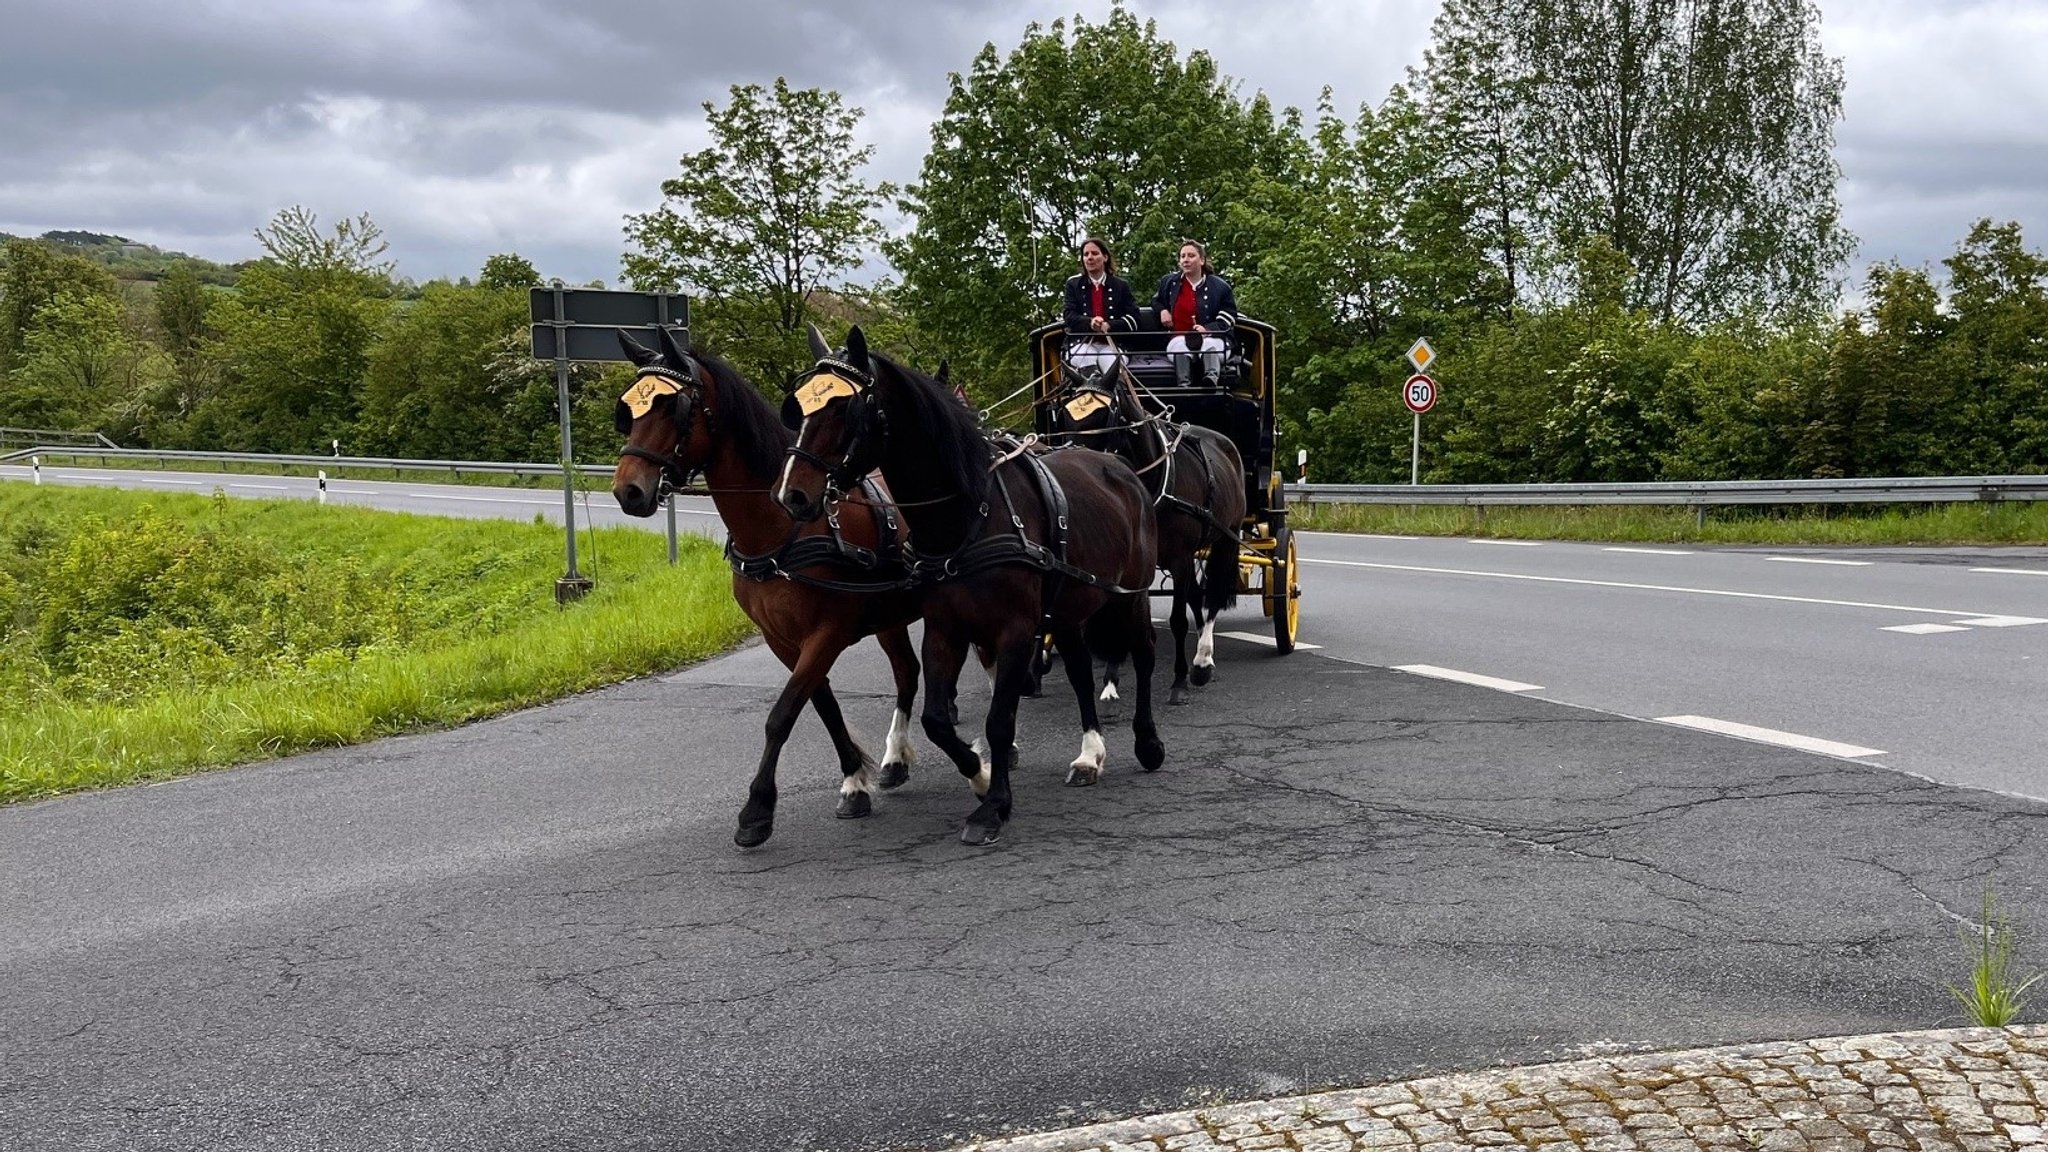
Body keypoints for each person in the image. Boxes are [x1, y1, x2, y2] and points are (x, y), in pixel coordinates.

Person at [1152, 239, 1238, 386]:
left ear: (1202, 260)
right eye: (1182, 256)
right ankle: (1184, 384)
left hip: (1213, 338)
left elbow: (1229, 315)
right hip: (1179, 338)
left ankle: (1211, 379)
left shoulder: (1220, 287)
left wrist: (1208, 329)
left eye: (1191, 256)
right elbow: (1156, 300)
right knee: (1179, 346)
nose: (1185, 260)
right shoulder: (1169, 282)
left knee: (1210, 345)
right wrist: (1163, 310)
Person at [1062, 237, 1140, 380]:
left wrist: (1108, 325)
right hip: (1082, 344)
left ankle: (1117, 399)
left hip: (1113, 345)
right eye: (1086, 255)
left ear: (1105, 257)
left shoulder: (1121, 286)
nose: (1090, 258)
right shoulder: (1073, 285)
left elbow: (1134, 319)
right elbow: (1069, 316)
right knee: (1085, 360)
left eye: (1094, 253)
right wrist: (1090, 323)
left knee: (1111, 364)